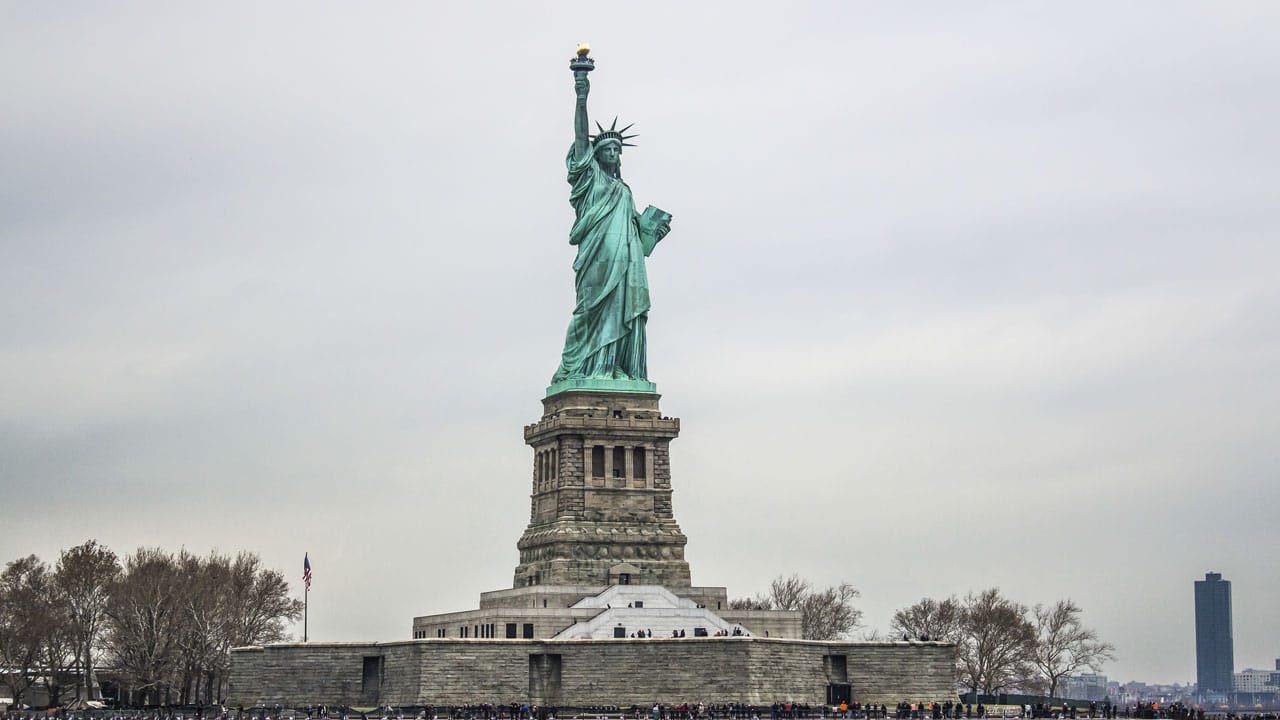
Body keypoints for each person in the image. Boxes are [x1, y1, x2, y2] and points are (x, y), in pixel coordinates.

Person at [551, 69, 670, 385]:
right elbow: (580, 139)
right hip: (598, 256)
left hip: (628, 262)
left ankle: (617, 367)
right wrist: (581, 94)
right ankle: (589, 367)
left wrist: (652, 233)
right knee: (592, 310)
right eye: (606, 149)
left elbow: (638, 243)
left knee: (622, 309)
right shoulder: (589, 182)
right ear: (596, 155)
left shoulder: (625, 191)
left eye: (617, 150)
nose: (613, 153)